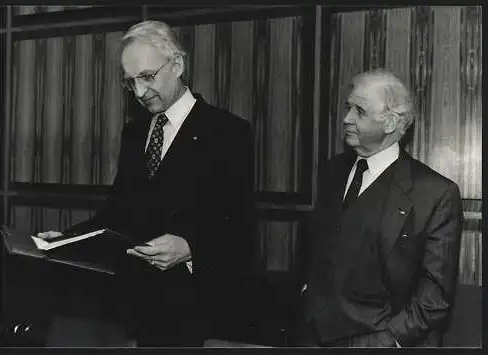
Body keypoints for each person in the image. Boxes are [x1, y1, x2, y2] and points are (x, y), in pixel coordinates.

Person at [37, 20, 255, 347]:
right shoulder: (135, 133)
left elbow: (241, 232)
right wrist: (66, 241)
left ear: (178, 65)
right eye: (130, 83)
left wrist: (192, 249)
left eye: (147, 77)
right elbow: (115, 215)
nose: (139, 92)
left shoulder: (227, 132)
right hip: (131, 311)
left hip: (193, 315)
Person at [292, 68, 463, 347]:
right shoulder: (333, 171)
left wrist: (389, 339)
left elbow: (434, 296)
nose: (346, 118)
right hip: (310, 334)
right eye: (348, 107)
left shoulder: (435, 193)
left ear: (390, 123)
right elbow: (314, 247)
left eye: (359, 111)